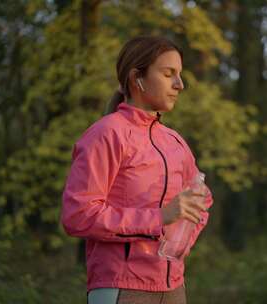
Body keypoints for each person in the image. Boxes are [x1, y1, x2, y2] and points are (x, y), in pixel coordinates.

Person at [60, 35, 213, 304]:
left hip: (174, 288)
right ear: (136, 78)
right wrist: (159, 218)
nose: (180, 84)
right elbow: (78, 214)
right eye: (169, 74)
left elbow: (203, 198)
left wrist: (183, 241)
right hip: (121, 286)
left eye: (180, 75)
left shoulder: (174, 141)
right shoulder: (106, 134)